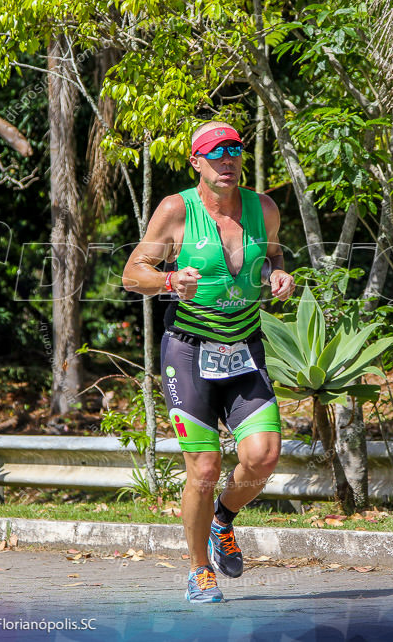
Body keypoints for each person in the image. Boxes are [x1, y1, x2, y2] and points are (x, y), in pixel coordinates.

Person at [122, 120, 295, 603]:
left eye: (234, 153)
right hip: (189, 350)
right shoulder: (177, 210)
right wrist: (169, 282)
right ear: (197, 162)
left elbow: (273, 258)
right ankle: (199, 571)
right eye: (215, 155)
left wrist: (279, 276)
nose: (227, 163)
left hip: (244, 346)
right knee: (203, 468)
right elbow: (133, 274)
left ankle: (223, 520)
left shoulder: (263, 208)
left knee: (263, 457)